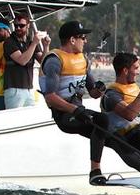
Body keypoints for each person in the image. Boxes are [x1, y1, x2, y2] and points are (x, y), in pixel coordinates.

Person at [41, 20, 110, 185]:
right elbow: (49, 97)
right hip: (65, 116)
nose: (85, 41)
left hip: (80, 113)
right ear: (72, 40)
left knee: (112, 131)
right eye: (83, 37)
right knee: (103, 121)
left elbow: (93, 93)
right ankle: (95, 171)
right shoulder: (54, 60)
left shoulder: (83, 60)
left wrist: (99, 89)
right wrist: (74, 110)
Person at [2, 13, 50, 109]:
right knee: (15, 119)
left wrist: (46, 46)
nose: (18, 28)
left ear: (28, 26)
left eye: (21, 26)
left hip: (28, 89)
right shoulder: (9, 42)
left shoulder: (30, 42)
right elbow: (22, 60)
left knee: (30, 117)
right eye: (16, 26)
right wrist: (35, 43)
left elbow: (43, 61)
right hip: (14, 89)